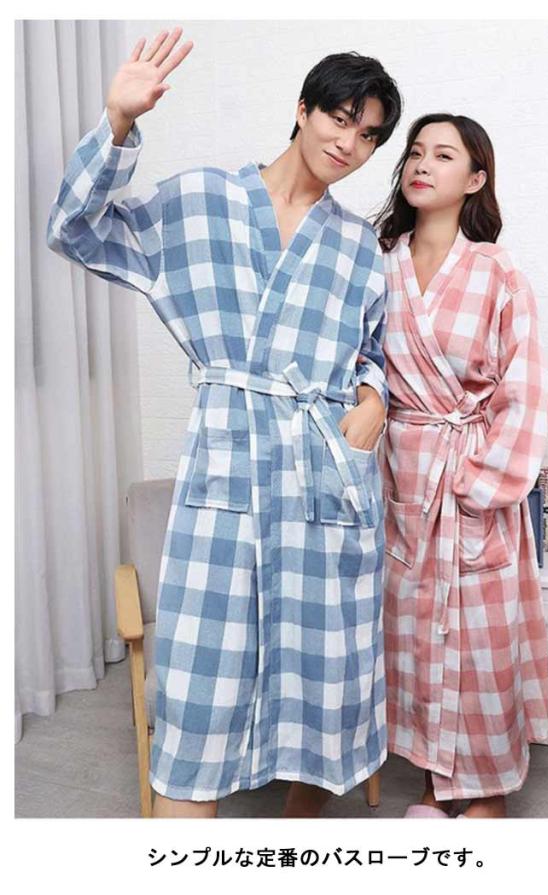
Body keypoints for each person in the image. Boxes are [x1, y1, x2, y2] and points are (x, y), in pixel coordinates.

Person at [47, 27, 402, 818]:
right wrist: (118, 123)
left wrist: (373, 399)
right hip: (227, 470)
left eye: (369, 135)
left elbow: (373, 349)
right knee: (198, 700)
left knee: (327, 677)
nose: (350, 142)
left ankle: (297, 825)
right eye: (340, 118)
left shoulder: (356, 246)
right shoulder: (201, 200)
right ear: (303, 109)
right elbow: (73, 230)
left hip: (324, 481)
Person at [374, 113, 548, 818]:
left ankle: (487, 789)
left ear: (475, 179)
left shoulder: (497, 271)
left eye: (444, 155)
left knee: (479, 635)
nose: (423, 164)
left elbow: (526, 386)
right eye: (416, 152)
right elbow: (358, 361)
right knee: (416, 633)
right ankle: (432, 780)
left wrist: (479, 484)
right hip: (403, 474)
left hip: (469, 475)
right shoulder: (378, 261)